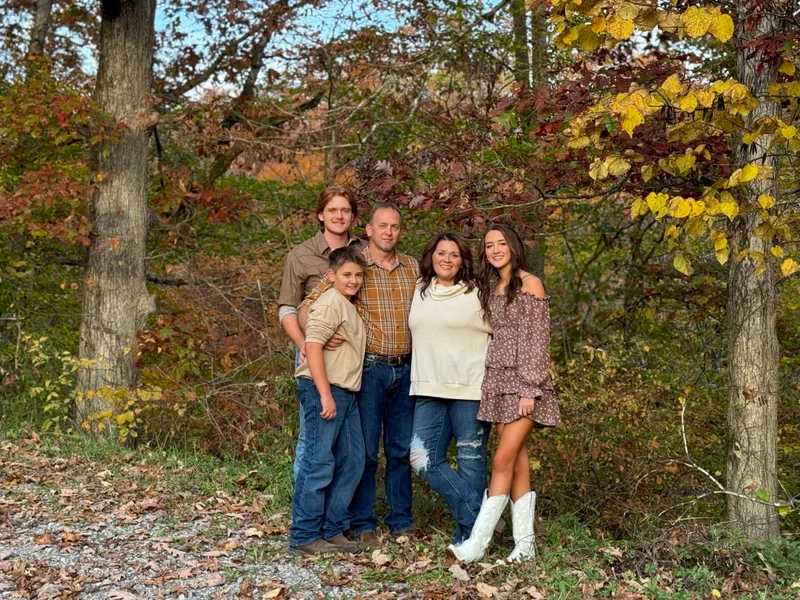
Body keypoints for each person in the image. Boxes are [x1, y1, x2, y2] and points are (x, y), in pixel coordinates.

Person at [300, 204, 418, 550]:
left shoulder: (412, 267)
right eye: (382, 226)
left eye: (395, 227)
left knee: (399, 450)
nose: (389, 232)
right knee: (364, 451)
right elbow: (308, 305)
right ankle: (363, 522)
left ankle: (401, 522)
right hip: (368, 369)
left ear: (400, 231)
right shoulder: (353, 265)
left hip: (407, 368)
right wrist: (318, 335)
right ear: (368, 229)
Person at [449, 223, 561, 564]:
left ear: (513, 246)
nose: (495, 249)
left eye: (501, 243)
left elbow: (537, 340)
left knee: (500, 460)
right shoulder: (490, 285)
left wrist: (530, 387)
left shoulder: (530, 283)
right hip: (497, 382)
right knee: (517, 463)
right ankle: (524, 546)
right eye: (489, 245)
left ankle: (476, 546)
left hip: (525, 383)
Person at [408, 232, 493, 545]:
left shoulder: (479, 292)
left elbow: (507, 334)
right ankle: (478, 515)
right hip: (428, 389)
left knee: (471, 462)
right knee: (421, 458)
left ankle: (468, 539)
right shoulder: (418, 289)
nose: (447, 259)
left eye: (454, 254)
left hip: (471, 391)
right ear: (431, 257)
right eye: (441, 253)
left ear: (463, 261)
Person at [278, 185, 363, 477]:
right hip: (314, 353)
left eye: (345, 210)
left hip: (355, 358)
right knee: (314, 438)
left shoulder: (365, 251)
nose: (339, 216)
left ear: (353, 216)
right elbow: (287, 309)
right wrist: (304, 344)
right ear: (320, 215)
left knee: (351, 442)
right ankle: (305, 512)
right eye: (332, 210)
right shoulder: (301, 255)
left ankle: (338, 514)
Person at [289, 246, 368, 556]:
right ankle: (305, 535)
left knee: (353, 460)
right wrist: (324, 394)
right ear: (332, 276)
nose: (354, 280)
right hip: (325, 389)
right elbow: (312, 346)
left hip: (346, 392)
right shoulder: (329, 301)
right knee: (318, 461)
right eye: (347, 274)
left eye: (359, 275)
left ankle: (332, 529)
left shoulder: (347, 304)